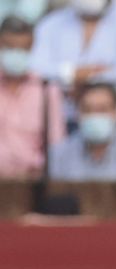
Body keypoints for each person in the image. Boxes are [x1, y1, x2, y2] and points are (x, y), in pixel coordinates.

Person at [29, 0, 116, 91]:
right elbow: (36, 66)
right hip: (60, 114)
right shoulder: (51, 23)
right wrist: (71, 73)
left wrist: (86, 79)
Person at [0, 16, 64, 179]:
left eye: (23, 48)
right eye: (9, 47)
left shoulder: (46, 89)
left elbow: (55, 144)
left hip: (31, 182)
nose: (16, 54)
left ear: (32, 47)